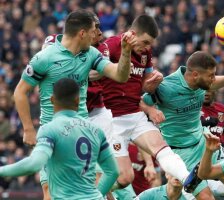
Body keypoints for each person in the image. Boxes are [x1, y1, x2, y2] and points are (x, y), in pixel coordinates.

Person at [13, 9, 134, 200]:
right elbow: (20, 92)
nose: (97, 35)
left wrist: (126, 53)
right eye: (94, 30)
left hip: (82, 132)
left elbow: (120, 75)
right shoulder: (45, 58)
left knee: (99, 185)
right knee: (50, 193)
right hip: (53, 134)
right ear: (82, 33)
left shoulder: (91, 54)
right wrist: (28, 129)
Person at [87, 14, 193, 195]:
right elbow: (92, 74)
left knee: (161, 147)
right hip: (112, 119)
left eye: (150, 44)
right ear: (132, 34)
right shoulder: (110, 46)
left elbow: (144, 83)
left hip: (135, 113)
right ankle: (91, 194)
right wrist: (109, 68)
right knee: (124, 178)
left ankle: (188, 178)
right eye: (145, 42)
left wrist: (154, 81)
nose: (147, 47)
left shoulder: (145, 53)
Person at [142, 51, 224, 199]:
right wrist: (150, 110)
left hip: (203, 141)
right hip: (181, 152)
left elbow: (212, 83)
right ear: (195, 75)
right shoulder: (166, 87)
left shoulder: (201, 81)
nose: (213, 79)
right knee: (206, 197)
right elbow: (139, 102)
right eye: (210, 75)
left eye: (214, 74)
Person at [0, 78, 120, 199]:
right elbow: (113, 171)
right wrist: (98, 194)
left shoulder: (49, 129)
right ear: (78, 101)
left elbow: (34, 164)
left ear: (52, 99)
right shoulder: (96, 130)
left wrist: (2, 170)